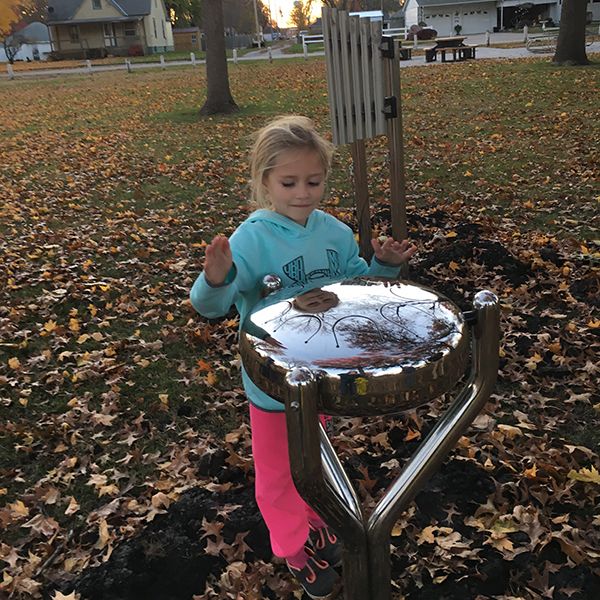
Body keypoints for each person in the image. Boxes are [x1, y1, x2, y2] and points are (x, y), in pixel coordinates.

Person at [190, 115, 416, 599]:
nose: (302, 193)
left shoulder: (332, 232)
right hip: (274, 384)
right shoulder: (250, 239)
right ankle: (293, 549)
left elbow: (356, 286)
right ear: (264, 181)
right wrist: (215, 278)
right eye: (288, 182)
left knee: (316, 459)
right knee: (278, 474)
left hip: (324, 372)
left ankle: (317, 518)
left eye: (313, 181)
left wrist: (384, 266)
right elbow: (210, 308)